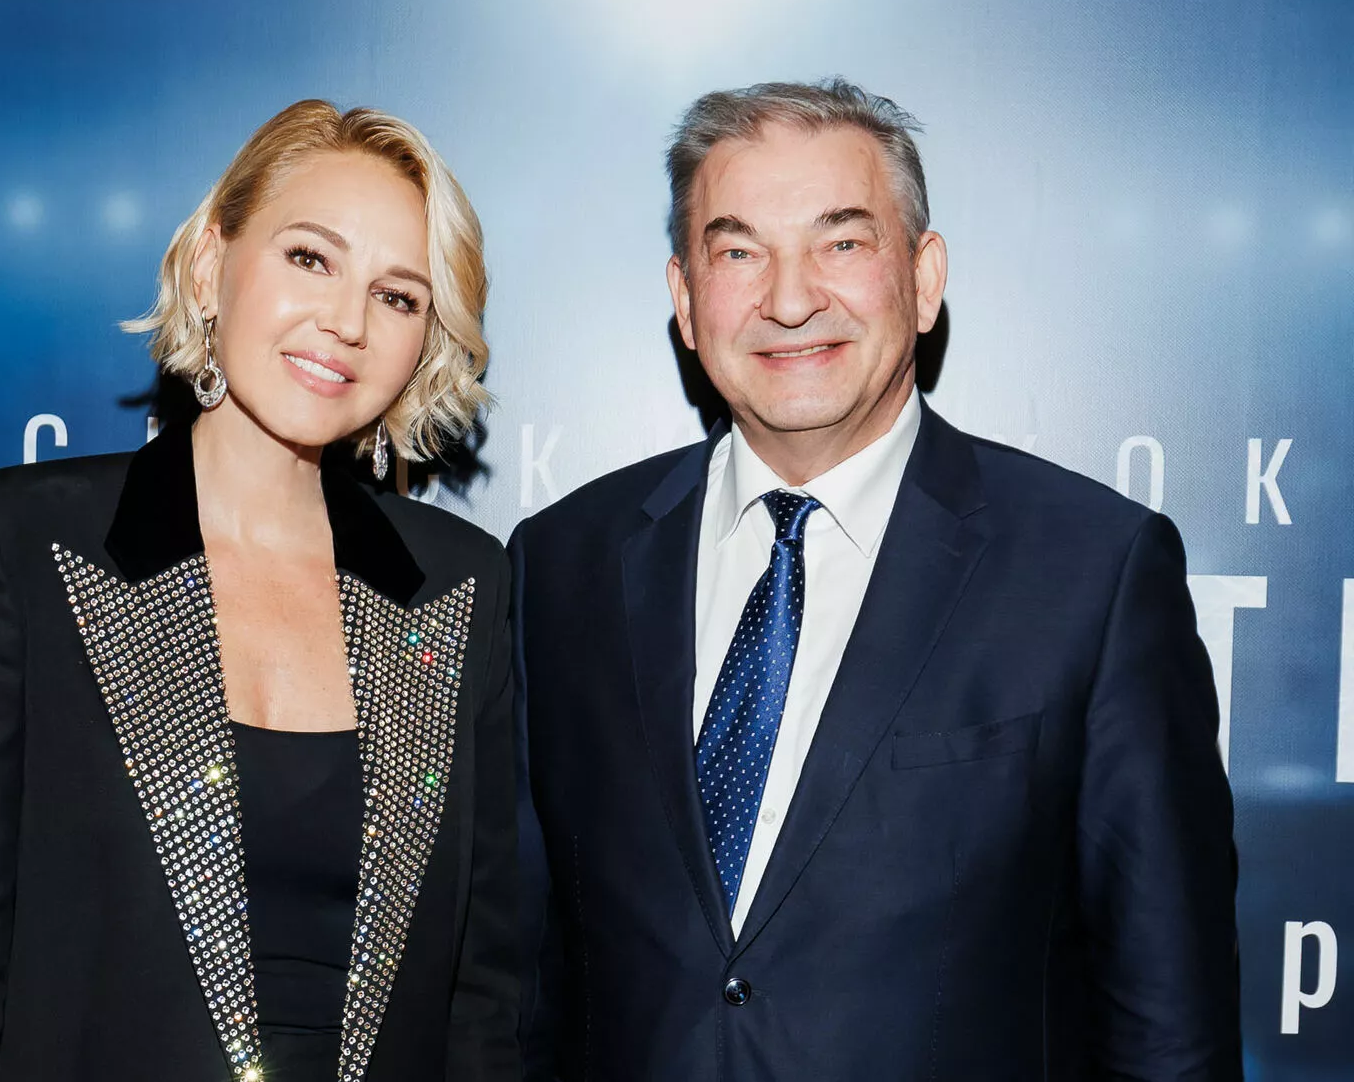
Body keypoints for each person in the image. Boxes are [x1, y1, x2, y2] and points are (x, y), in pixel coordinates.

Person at [513, 80, 1241, 1080]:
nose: (789, 299)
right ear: (684, 298)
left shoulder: (1093, 573)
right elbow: (518, 985)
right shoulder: (562, 563)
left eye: (842, 242)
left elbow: (1169, 1026)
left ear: (924, 276)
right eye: (738, 252)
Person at [0, 100, 518, 1082]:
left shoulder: (460, 583)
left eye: (397, 296)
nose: (347, 322)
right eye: (310, 258)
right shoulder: (26, 543)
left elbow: (484, 995)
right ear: (211, 266)